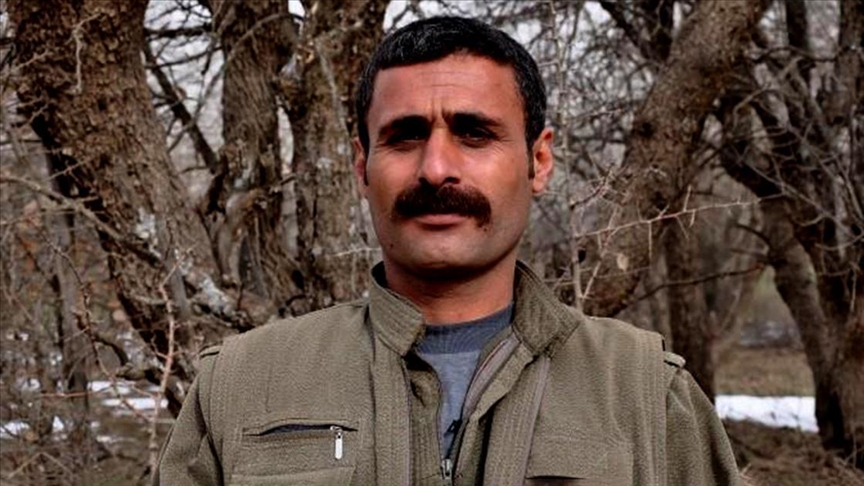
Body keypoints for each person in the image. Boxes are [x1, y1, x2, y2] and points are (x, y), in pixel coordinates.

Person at [156, 16, 741, 486]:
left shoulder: (645, 393)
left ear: (538, 161)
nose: (436, 168)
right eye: (405, 135)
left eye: (474, 133)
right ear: (362, 165)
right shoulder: (241, 383)